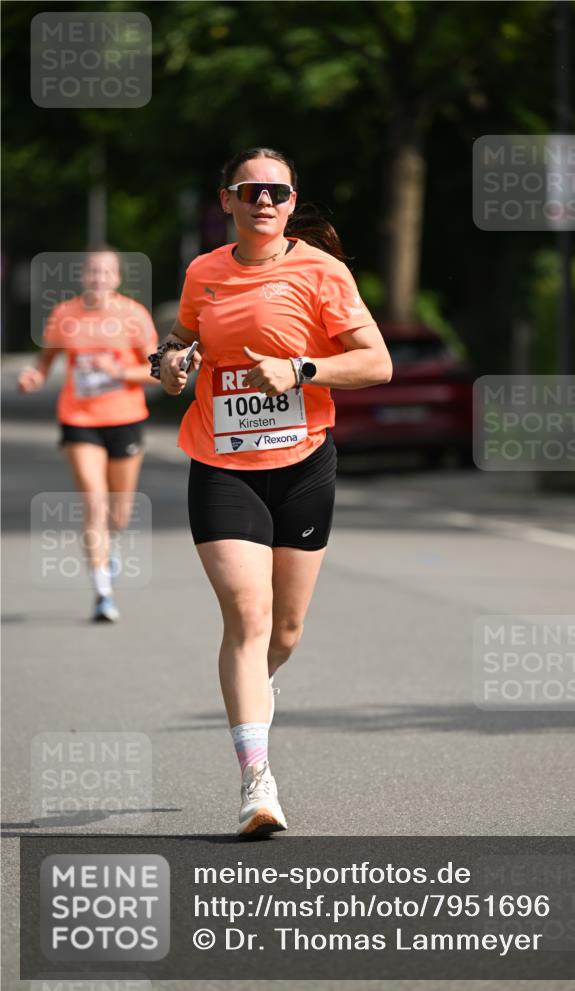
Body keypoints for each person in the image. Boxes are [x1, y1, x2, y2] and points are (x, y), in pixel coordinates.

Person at [154, 146, 392, 837]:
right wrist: (169, 367)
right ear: (224, 199)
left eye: (277, 192)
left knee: (282, 632)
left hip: (303, 464)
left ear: (292, 202)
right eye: (249, 190)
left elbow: (374, 362)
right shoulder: (204, 272)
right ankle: (257, 782)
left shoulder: (323, 271)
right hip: (222, 464)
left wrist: (302, 369)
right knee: (248, 616)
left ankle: (257, 688)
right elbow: (176, 348)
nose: (264, 201)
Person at [17, 247, 159, 622]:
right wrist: (34, 377)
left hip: (125, 417)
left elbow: (155, 371)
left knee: (120, 513)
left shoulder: (133, 315)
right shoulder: (66, 315)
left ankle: (106, 548)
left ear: (116, 278)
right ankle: (102, 593)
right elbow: (45, 361)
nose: (98, 278)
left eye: (105, 273)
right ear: (83, 276)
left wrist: (118, 373)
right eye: (92, 272)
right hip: (79, 418)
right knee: (94, 502)